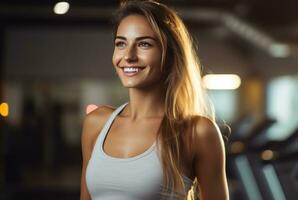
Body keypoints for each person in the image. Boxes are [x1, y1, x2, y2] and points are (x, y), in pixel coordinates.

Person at [80, 0, 229, 199]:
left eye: (144, 44)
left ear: (169, 54)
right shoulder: (96, 123)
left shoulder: (197, 132)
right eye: (121, 43)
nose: (129, 56)